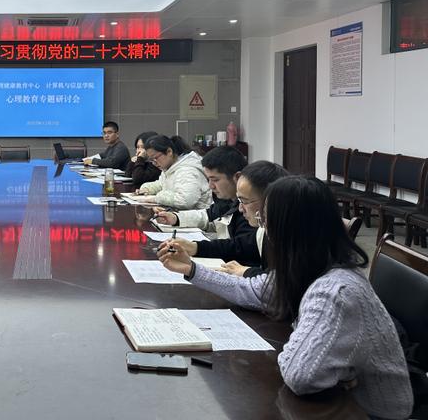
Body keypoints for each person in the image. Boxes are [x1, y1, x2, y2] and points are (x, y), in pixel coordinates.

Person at [157, 176, 413, 419]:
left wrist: (297, 343)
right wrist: (192, 269)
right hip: (337, 400)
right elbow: (250, 290)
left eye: (267, 222)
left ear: (290, 231)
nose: (265, 230)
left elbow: (300, 375)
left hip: (365, 413)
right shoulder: (310, 268)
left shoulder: (335, 292)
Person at [167, 160, 289, 271]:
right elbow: (238, 246)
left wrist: (246, 272)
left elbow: (273, 280)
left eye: (245, 201)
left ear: (269, 201)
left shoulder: (291, 239)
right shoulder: (263, 231)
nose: (240, 208)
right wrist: (195, 247)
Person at [151, 146, 250, 240]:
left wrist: (196, 247)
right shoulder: (226, 200)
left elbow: (237, 246)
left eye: (215, 180)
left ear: (237, 177)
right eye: (209, 179)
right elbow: (208, 215)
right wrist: (175, 218)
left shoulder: (249, 208)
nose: (211, 186)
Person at [133, 135, 210, 210]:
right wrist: (147, 189)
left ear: (169, 152)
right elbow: (162, 184)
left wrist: (157, 198)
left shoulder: (187, 170)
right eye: (151, 160)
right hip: (181, 214)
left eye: (155, 158)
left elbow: (185, 201)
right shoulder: (169, 167)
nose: (154, 163)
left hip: (197, 215)